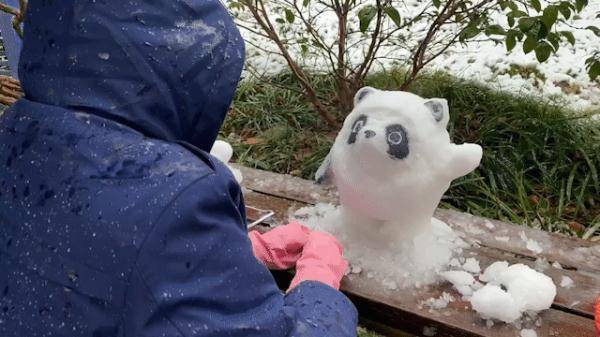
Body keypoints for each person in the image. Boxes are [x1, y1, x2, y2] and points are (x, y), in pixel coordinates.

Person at [0, 1, 358, 336]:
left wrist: (230, 256)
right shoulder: (169, 200)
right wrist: (318, 284)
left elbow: (83, 255)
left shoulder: (13, 134)